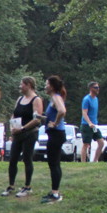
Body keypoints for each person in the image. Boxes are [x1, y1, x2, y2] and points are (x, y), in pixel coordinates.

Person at [1, 76, 43, 198]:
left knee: (27, 159)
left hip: (29, 133)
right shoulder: (20, 99)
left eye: (22, 84)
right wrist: (12, 127)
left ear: (28, 85)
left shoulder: (36, 100)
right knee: (12, 159)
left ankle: (27, 186)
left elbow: (37, 119)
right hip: (18, 134)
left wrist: (23, 128)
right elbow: (14, 115)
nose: (20, 87)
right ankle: (11, 185)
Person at [41, 75, 67, 204]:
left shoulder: (56, 97)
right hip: (55, 134)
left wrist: (55, 123)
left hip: (57, 134)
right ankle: (54, 191)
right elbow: (54, 114)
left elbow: (62, 111)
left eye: (46, 84)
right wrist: (41, 118)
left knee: (54, 164)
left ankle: (55, 194)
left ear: (51, 86)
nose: (45, 86)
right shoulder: (54, 98)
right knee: (53, 163)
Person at [80, 82, 106, 163]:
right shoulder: (86, 99)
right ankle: (83, 163)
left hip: (94, 126)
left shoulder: (96, 99)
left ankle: (95, 161)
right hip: (86, 125)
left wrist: (94, 123)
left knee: (101, 143)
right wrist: (89, 123)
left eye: (98, 87)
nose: (98, 89)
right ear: (91, 88)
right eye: (96, 87)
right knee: (86, 144)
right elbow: (84, 113)